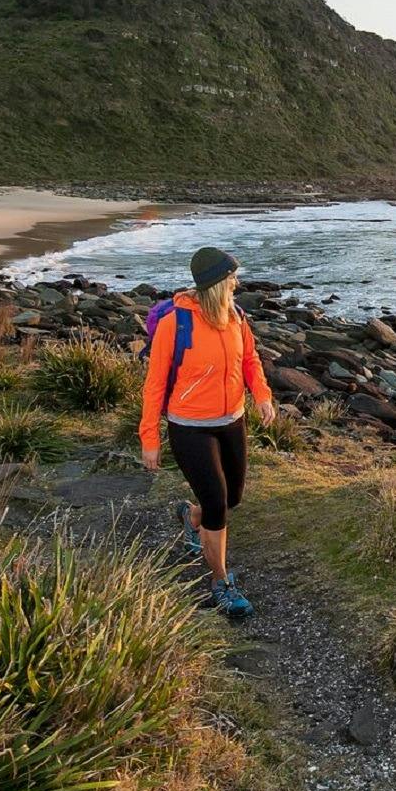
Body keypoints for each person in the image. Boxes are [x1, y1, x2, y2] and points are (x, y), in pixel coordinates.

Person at [139, 245, 276, 616]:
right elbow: (154, 386)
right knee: (218, 503)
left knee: (231, 499)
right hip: (189, 428)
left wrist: (262, 396)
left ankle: (191, 516)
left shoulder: (237, 317)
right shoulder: (175, 325)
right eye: (232, 278)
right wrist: (149, 439)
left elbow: (250, 359)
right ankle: (220, 582)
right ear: (217, 283)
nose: (237, 283)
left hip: (232, 421)